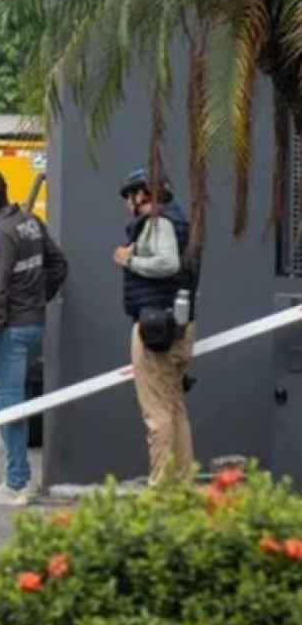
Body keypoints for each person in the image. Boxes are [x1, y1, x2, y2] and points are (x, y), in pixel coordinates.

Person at [0, 167, 68, 507]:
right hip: (33, 324)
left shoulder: (3, 234)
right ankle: (18, 476)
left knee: (9, 406)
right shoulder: (29, 222)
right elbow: (59, 264)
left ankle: (16, 483)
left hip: (9, 329)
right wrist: (40, 298)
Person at [115, 167, 196, 483]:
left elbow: (168, 263)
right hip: (176, 323)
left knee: (157, 412)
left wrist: (129, 260)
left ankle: (161, 486)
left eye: (129, 197)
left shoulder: (158, 222)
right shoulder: (176, 220)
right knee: (174, 407)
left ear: (142, 195)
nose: (127, 205)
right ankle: (182, 481)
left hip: (155, 328)